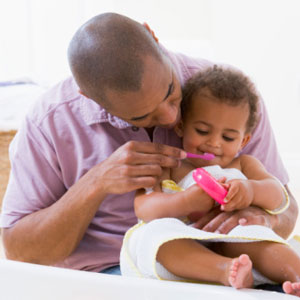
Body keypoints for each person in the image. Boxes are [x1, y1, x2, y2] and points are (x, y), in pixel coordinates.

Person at [0, 12, 297, 286]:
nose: (173, 119)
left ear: (152, 35)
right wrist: (97, 182)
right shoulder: (49, 122)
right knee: (155, 238)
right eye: (141, 116)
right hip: (113, 275)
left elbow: (286, 209)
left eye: (170, 92)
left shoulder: (228, 98)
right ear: (89, 97)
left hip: (234, 258)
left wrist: (261, 217)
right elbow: (19, 252)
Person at [120, 66, 300, 296]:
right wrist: (185, 201)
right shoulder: (170, 166)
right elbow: (143, 207)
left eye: (228, 137)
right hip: (188, 245)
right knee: (150, 235)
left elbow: (278, 197)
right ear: (181, 126)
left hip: (236, 239)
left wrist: (251, 190)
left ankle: (296, 275)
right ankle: (226, 271)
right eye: (203, 131)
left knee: (255, 235)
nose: (214, 143)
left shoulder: (244, 165)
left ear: (243, 141)